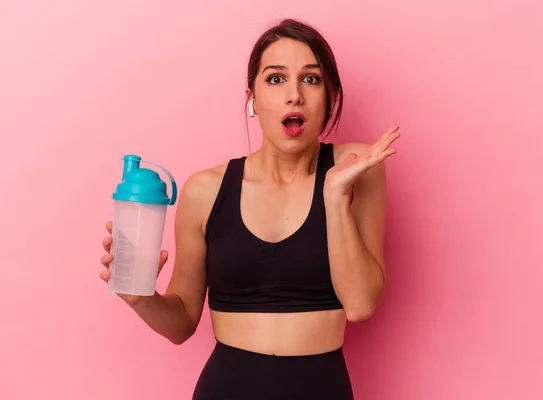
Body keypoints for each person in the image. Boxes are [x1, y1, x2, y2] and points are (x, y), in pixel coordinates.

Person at [99, 18, 399, 400]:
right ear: (253, 99)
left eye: (311, 79)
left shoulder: (356, 169)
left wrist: (335, 195)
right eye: (276, 79)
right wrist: (140, 297)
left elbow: (360, 304)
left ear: (331, 97)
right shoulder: (205, 190)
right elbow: (181, 325)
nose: (294, 95)